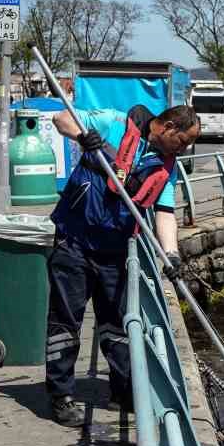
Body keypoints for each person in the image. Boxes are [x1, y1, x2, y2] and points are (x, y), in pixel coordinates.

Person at [45, 103, 200, 426]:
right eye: (183, 141)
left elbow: (165, 213)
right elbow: (61, 118)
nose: (184, 149)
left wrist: (171, 254)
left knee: (118, 323)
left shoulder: (167, 166)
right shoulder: (113, 122)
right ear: (168, 127)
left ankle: (123, 390)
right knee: (66, 321)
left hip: (115, 250)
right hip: (74, 242)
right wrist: (83, 137)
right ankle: (61, 396)